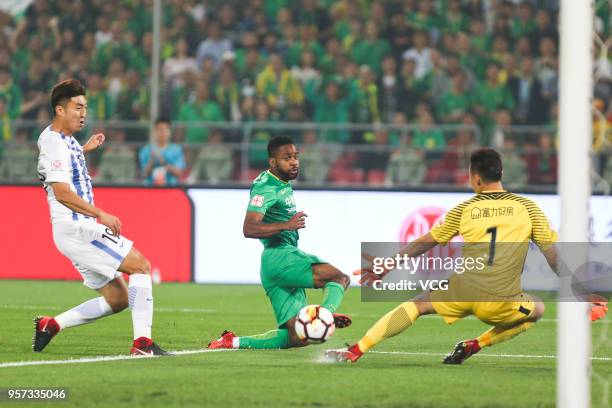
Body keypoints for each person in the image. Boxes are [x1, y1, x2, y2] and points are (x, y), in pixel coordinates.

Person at [327, 148, 608, 363]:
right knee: (537, 309)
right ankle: (476, 344)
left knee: (417, 304)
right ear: (501, 173)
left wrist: (387, 263)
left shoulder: (464, 209)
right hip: (502, 299)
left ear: (475, 178)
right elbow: (554, 259)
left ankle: (355, 350)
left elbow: (426, 241)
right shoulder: (527, 207)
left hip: (463, 289)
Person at [34, 79, 169, 356]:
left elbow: (60, 168)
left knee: (118, 298)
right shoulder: (56, 143)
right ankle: (142, 345)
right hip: (77, 226)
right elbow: (60, 192)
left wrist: (83, 150)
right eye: (77, 107)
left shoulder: (61, 140)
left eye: (85, 107)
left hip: (72, 230)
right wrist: (101, 214)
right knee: (141, 266)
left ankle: (52, 324)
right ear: (60, 109)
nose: (84, 113)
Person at [208, 136, 352, 350]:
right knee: (339, 278)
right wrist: (287, 225)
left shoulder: (278, 183)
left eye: (295, 157)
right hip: (280, 256)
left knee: (298, 336)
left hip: (274, 265)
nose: (294, 162)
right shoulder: (266, 188)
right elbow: (249, 228)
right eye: (287, 158)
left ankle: (232, 342)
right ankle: (325, 315)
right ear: (273, 162)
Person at [139, 118, 185, 186]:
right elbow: (143, 174)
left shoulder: (177, 150)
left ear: (170, 132)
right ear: (154, 131)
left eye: (165, 130)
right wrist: (152, 161)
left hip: (171, 189)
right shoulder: (145, 150)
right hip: (150, 189)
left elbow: (179, 173)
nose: (162, 133)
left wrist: (164, 163)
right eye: (159, 129)